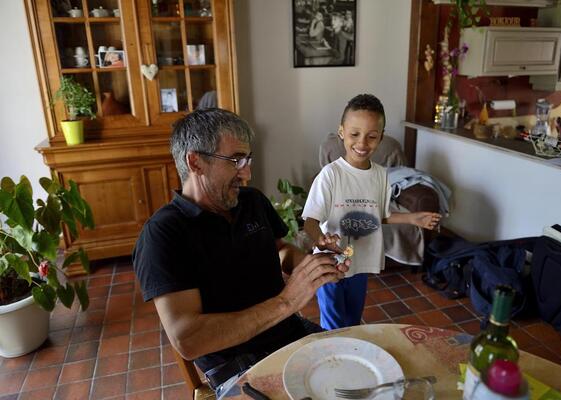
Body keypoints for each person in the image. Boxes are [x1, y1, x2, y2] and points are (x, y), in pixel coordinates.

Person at [132, 108, 350, 396]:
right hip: (234, 364)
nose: (247, 173)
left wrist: (311, 266)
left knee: (360, 376)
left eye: (247, 160)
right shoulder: (163, 234)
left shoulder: (252, 202)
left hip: (290, 333)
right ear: (195, 162)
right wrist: (286, 302)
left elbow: (280, 250)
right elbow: (188, 339)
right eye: (236, 160)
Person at [302, 94, 441, 330]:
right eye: (355, 134)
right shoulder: (331, 174)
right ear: (342, 132)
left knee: (353, 323)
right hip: (331, 263)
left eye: (372, 136)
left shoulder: (380, 175)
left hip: (360, 262)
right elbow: (310, 221)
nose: (362, 143)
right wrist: (321, 239)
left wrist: (413, 218)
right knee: (333, 328)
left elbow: (380, 214)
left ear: (381, 138)